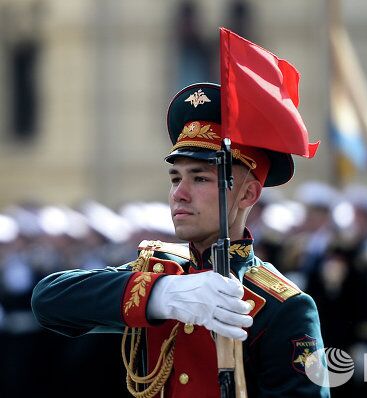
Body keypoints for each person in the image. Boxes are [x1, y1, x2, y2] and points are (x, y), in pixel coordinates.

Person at [31, 83, 329, 398]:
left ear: (248, 193)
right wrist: (164, 295)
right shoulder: (160, 272)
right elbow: (49, 300)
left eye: (200, 178)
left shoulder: (283, 307)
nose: (179, 194)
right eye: (175, 179)